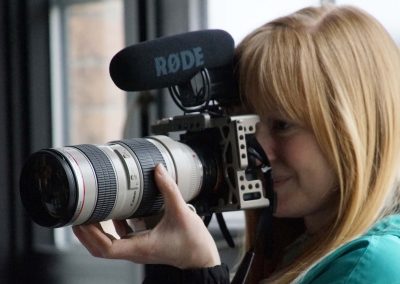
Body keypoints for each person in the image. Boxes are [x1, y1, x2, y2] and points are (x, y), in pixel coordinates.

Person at [72, 4, 400, 283]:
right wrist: (171, 262)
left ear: (352, 131)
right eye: (242, 124)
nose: (256, 151)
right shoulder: (296, 246)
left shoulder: (370, 266)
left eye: (282, 125)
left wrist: (198, 269)